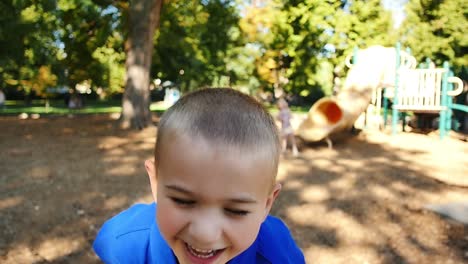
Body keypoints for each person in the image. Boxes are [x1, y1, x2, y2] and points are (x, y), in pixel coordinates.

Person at [93, 88, 305, 263]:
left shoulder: (277, 255)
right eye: (183, 201)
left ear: (267, 205)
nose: (205, 234)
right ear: (156, 183)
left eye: (236, 210)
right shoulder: (126, 245)